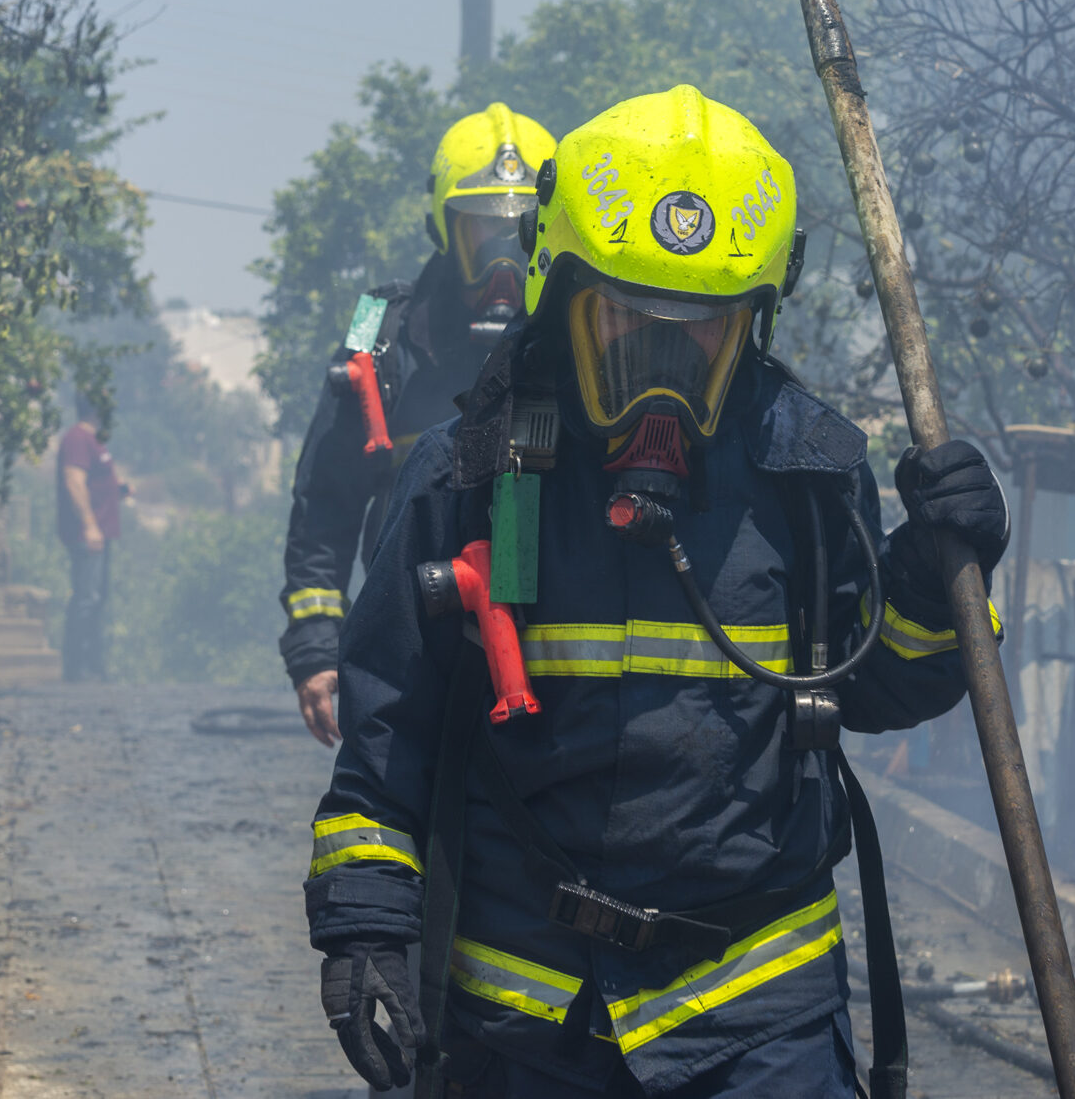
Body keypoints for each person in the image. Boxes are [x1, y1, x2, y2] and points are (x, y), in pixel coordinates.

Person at [302, 87, 1010, 1097]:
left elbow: (878, 684)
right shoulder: (465, 475)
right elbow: (387, 744)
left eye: (700, 332)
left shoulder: (807, 474)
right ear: (561, 295)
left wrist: (944, 572)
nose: (660, 373)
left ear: (753, 325)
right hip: (529, 1018)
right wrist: (365, 923)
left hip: (758, 1010)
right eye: (627, 322)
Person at [279, 103, 557, 744]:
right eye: (481, 238)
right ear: (444, 228)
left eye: (516, 237)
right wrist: (316, 651)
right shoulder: (375, 325)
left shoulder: (577, 334)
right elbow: (324, 504)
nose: (502, 270)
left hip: (549, 653)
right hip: (405, 646)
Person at [56, 396, 122, 682]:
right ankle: (76, 667)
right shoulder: (77, 438)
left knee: (96, 598)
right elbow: (74, 480)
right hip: (88, 533)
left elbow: (96, 480)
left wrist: (120, 489)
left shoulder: (94, 440)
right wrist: (89, 524)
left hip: (100, 532)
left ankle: (94, 665)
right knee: (86, 597)